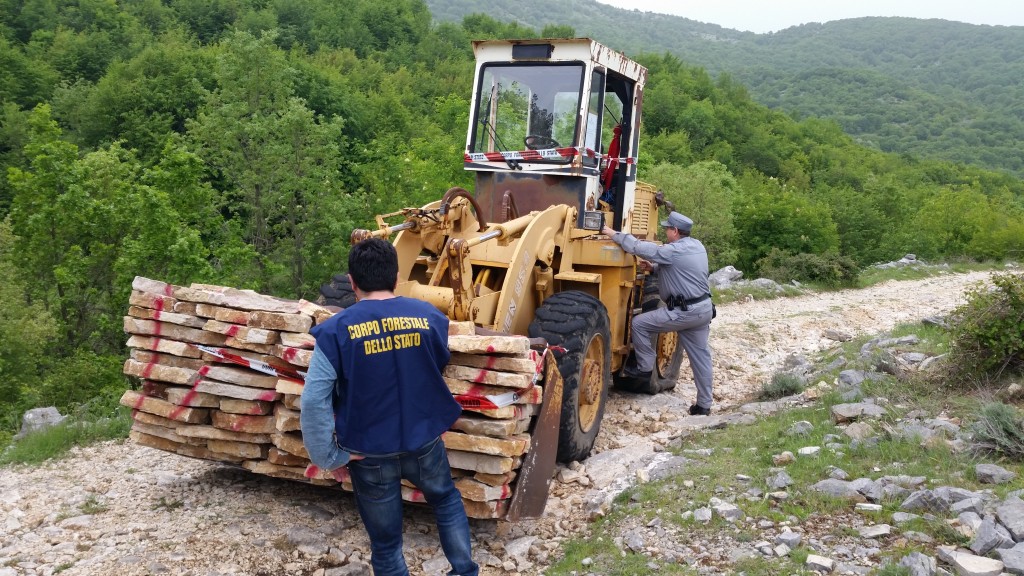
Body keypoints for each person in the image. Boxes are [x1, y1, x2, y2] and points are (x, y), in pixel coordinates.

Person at [300, 237, 478, 576]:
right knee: (446, 501)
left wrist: (328, 456)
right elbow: (435, 364)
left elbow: (313, 400)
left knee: (385, 544)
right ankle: (464, 571)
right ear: (397, 277)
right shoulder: (430, 317)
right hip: (424, 440)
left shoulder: (336, 332)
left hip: (369, 453)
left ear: (352, 283)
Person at [601, 211, 715, 415]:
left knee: (639, 324)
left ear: (675, 231)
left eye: (667, 229)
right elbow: (683, 269)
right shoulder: (697, 246)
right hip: (703, 310)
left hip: (684, 312)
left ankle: (644, 369)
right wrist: (654, 268)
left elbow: (637, 247)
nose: (665, 232)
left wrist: (609, 232)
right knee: (701, 358)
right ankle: (704, 406)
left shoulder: (672, 251)